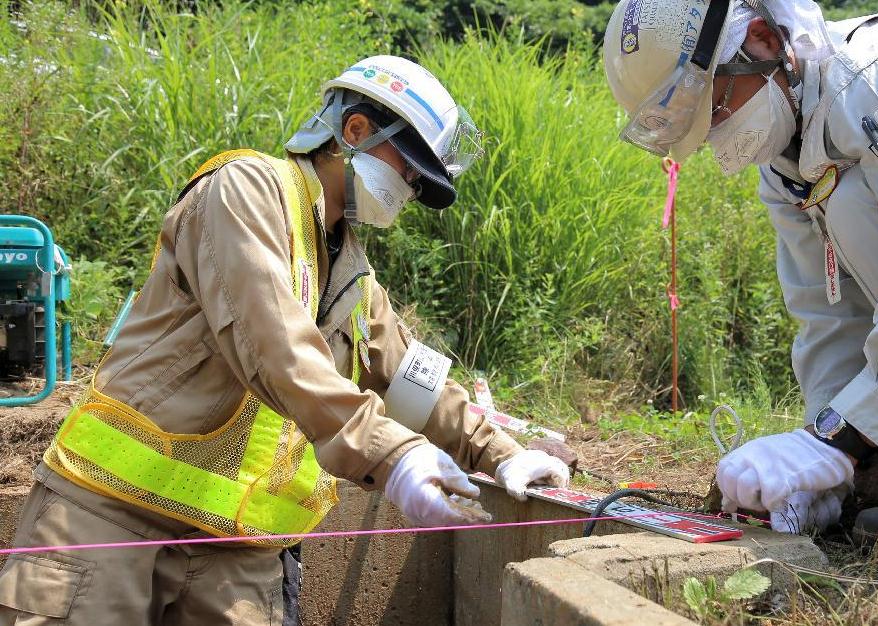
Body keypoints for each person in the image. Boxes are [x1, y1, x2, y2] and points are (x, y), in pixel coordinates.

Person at [0, 55, 569, 625]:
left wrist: (503, 454)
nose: (414, 190)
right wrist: (394, 457)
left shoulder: (353, 277)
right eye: (413, 169)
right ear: (355, 131)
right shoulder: (244, 189)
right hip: (112, 516)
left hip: (240, 549)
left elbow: (411, 380)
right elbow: (272, 343)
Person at [603, 0, 878, 552]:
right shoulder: (788, 164)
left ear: (762, 40)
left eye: (713, 108)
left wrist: (837, 438)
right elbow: (830, 314)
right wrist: (827, 455)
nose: (717, 140)